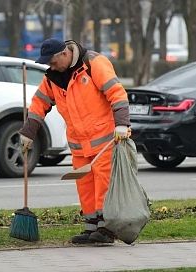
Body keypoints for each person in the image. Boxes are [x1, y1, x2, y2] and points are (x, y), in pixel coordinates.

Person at [19, 38, 131, 244]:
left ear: (64, 53)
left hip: (105, 140)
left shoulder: (93, 63)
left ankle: (106, 230)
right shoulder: (53, 77)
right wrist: (28, 132)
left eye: (52, 62)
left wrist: (122, 124)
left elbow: (117, 94)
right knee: (85, 186)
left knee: (103, 186)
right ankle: (91, 228)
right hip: (79, 143)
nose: (50, 67)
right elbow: (39, 103)